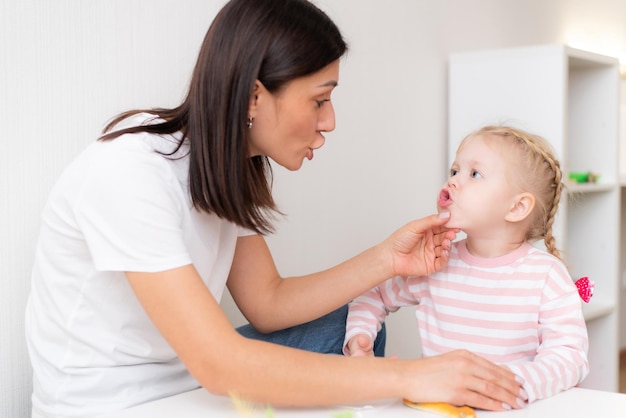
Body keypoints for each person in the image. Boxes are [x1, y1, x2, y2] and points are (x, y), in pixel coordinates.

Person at [24, 1, 526, 417]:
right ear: (253, 96)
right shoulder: (130, 170)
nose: (329, 121)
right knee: (364, 365)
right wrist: (411, 374)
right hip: (112, 404)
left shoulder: (224, 164)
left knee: (349, 321)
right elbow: (220, 365)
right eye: (318, 100)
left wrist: (387, 260)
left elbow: (267, 303)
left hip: (190, 378)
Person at [344, 125, 590, 404]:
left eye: (474, 174)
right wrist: (359, 337)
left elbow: (570, 357)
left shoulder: (546, 276)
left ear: (517, 207)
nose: (453, 182)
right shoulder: (435, 262)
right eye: (454, 171)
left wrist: (511, 384)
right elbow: (374, 293)